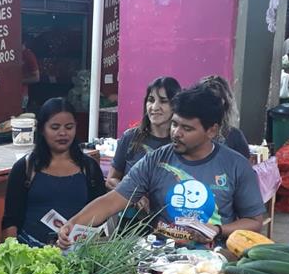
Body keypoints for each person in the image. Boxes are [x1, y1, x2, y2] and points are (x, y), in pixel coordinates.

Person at [58, 86, 264, 248]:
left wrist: (218, 229)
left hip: (213, 266)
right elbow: (112, 201)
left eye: (187, 128)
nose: (176, 133)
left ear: (211, 131)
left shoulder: (236, 165)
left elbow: (254, 221)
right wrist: (73, 224)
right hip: (160, 262)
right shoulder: (155, 161)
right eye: (175, 124)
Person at [2, 98, 106, 246]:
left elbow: (101, 213)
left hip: (77, 253)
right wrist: (13, 253)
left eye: (69, 127)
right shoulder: (24, 167)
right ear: (42, 129)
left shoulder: (89, 168)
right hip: (32, 254)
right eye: (55, 127)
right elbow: (10, 220)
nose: (63, 133)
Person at [106, 76, 182, 189]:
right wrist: (131, 193)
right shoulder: (131, 137)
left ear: (175, 105)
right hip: (131, 206)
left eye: (163, 101)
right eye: (151, 100)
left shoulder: (181, 142)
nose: (154, 107)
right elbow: (111, 180)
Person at [198, 75, 250, 159]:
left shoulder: (235, 136)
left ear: (225, 104)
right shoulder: (190, 133)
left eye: (216, 102)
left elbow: (244, 168)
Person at [22, 38, 41, 110]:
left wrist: (18, 81)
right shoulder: (13, 53)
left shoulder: (28, 55)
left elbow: (36, 78)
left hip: (22, 94)